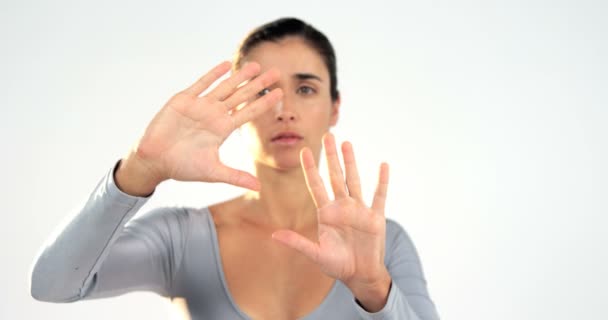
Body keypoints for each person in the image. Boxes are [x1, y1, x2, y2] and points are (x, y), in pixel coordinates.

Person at [30, 17, 440, 320]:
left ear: (334, 107)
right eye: (264, 92)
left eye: (305, 89)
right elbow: (53, 285)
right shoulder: (184, 239)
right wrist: (139, 170)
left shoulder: (381, 244)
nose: (284, 111)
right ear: (240, 108)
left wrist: (374, 289)